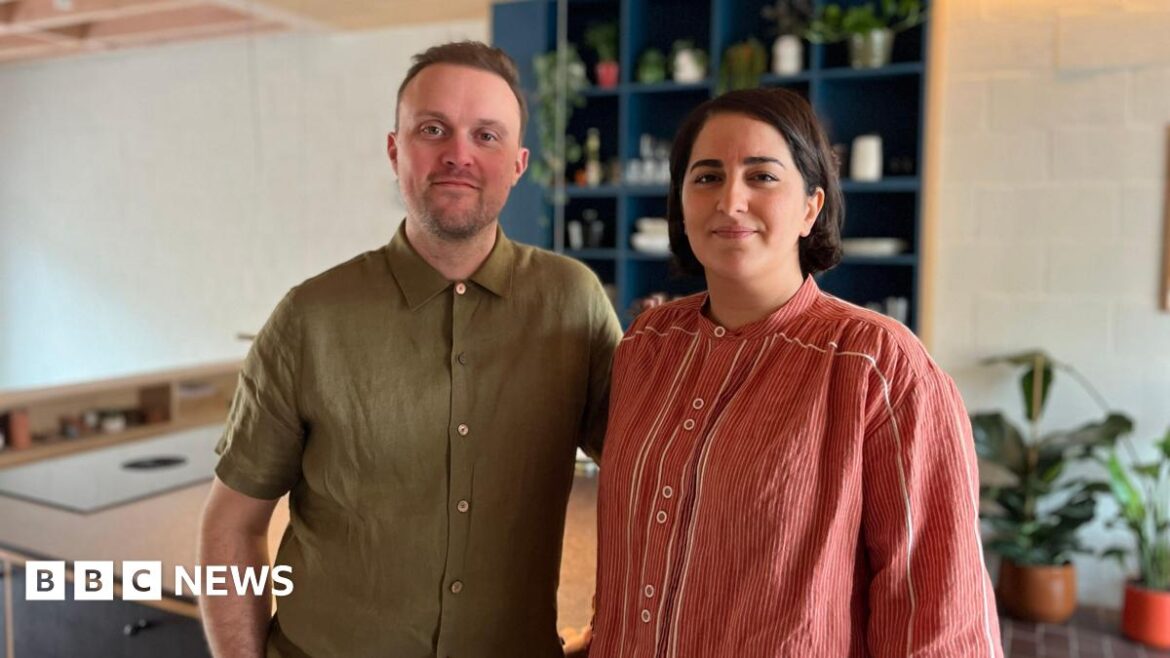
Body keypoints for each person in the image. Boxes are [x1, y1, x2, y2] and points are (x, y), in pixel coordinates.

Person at [198, 41, 621, 658]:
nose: (459, 155)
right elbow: (232, 524)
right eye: (433, 129)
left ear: (518, 162)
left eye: (487, 136)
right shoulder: (309, 318)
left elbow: (655, 483)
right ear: (395, 149)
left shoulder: (573, 302)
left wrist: (620, 630)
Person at [589, 88, 1003, 657]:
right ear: (680, 205)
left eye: (761, 177)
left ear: (811, 205)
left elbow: (939, 616)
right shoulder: (647, 346)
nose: (730, 200)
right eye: (706, 177)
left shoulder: (877, 364)